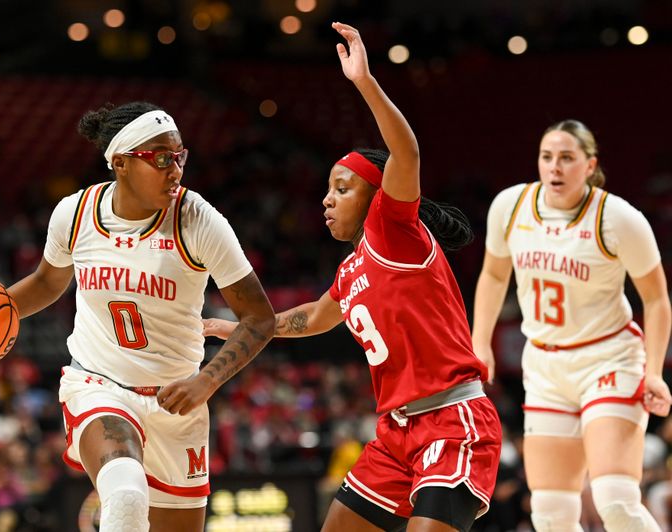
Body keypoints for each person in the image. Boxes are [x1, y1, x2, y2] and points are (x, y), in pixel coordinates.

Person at [204, 22, 501, 532]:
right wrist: (250, 328)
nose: (327, 198)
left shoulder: (394, 231)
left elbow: (406, 154)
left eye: (342, 188)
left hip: (451, 422)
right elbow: (315, 318)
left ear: (376, 196)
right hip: (394, 433)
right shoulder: (352, 266)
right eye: (327, 188)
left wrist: (364, 81)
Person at [0, 101, 275, 531]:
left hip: (177, 398)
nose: (176, 169)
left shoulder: (198, 220)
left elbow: (260, 318)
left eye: (180, 156)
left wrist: (207, 380)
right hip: (100, 384)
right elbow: (47, 283)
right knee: (125, 495)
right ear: (122, 163)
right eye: (162, 158)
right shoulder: (75, 214)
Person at [472, 118, 672, 531]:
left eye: (567, 158)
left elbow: (656, 298)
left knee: (615, 501)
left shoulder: (617, 217)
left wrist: (653, 372)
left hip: (609, 359)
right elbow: (493, 276)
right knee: (549, 515)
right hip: (545, 367)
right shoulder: (510, 207)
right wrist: (480, 341)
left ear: (589, 164)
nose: (554, 167)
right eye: (547, 157)